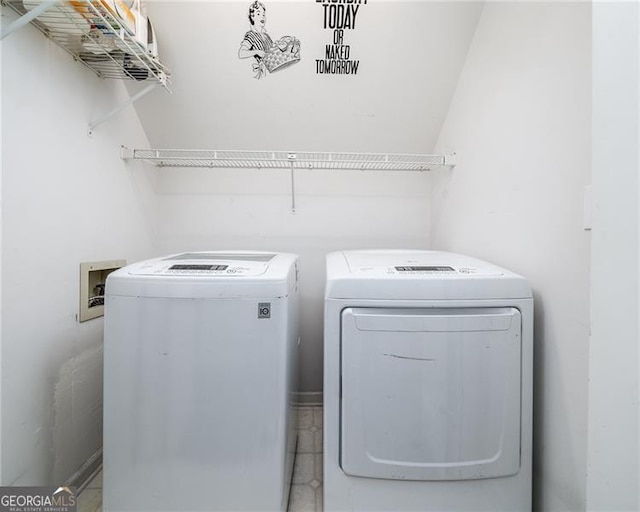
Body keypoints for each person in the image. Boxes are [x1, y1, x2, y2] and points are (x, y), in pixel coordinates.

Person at [238, 1, 273, 78]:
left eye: (263, 14)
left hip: (272, 71)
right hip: (262, 73)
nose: (262, 17)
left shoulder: (266, 36)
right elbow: (241, 53)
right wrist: (257, 52)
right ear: (252, 17)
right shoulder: (251, 35)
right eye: (258, 14)